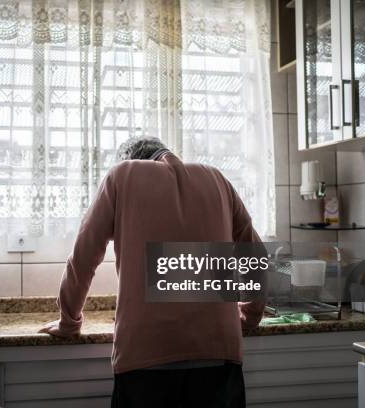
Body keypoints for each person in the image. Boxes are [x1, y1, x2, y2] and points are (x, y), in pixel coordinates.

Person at [40, 137, 265, 407]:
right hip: (218, 358)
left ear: (132, 159)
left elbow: (84, 256)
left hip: (145, 362)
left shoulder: (122, 175)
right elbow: (254, 255)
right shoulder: (217, 179)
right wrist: (250, 315)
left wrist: (68, 321)